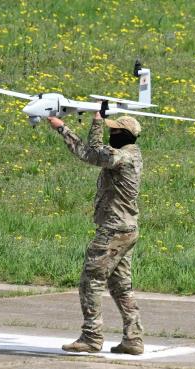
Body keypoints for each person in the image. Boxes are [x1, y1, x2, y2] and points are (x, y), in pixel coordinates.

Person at [46, 111, 144, 355]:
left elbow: (90, 153)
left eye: (114, 131)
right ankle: (133, 339)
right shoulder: (133, 154)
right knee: (121, 286)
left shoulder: (120, 156)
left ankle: (91, 336)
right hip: (126, 228)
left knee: (91, 280)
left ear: (123, 135)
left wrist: (64, 128)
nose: (111, 134)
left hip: (113, 229)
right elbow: (98, 151)